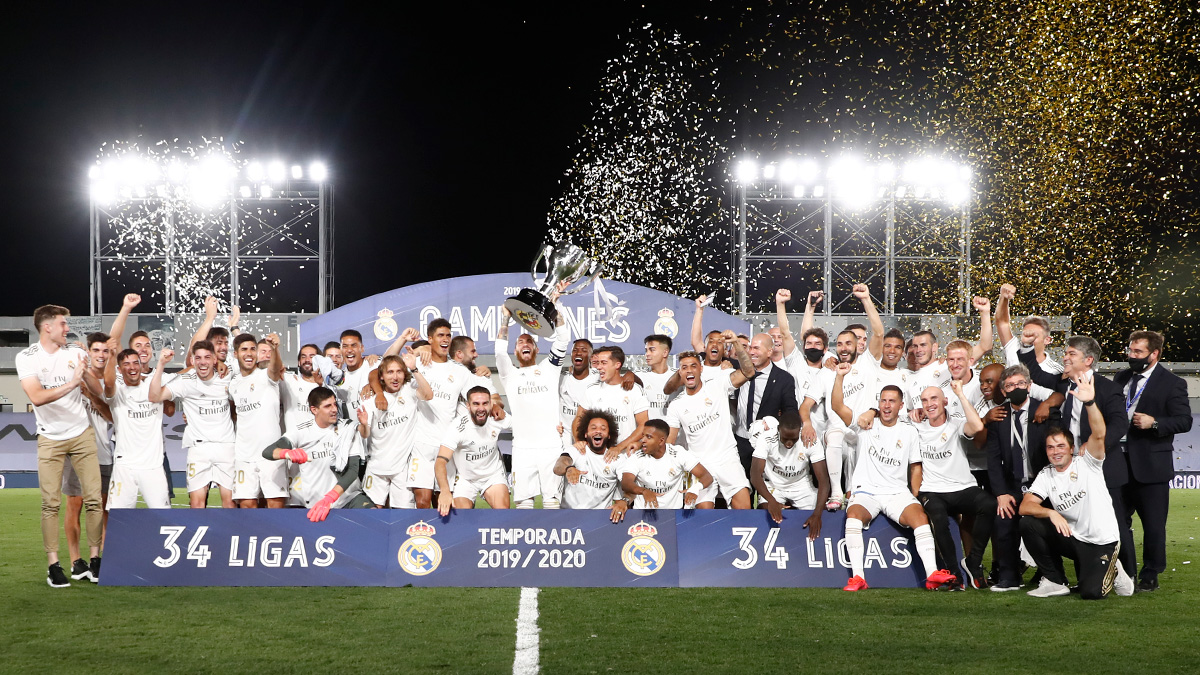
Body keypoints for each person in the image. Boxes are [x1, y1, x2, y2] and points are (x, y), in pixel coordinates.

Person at [829, 372, 956, 591]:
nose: (887, 405)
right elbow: (838, 406)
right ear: (878, 404)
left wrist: (914, 495)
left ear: (901, 405)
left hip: (897, 492)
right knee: (853, 516)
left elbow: (916, 466)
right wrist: (839, 377)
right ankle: (858, 577)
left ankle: (932, 574)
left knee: (919, 516)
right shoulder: (865, 425)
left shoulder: (909, 431)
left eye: (892, 401)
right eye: (883, 401)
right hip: (866, 492)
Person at [1019, 373, 1136, 598]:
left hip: (1101, 542)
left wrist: (1090, 403)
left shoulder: (1088, 463)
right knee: (1028, 524)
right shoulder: (1047, 474)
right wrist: (1051, 514)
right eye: (1051, 448)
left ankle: (1116, 571)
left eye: (1061, 446)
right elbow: (1026, 506)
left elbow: (1099, 434)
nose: (1056, 451)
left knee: (1090, 593)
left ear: (1071, 448)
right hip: (1074, 539)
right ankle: (1055, 581)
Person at [18, 304, 104, 588]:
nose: (68, 329)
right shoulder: (27, 357)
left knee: (94, 498)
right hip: (50, 438)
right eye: (64, 324)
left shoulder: (76, 353)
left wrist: (88, 372)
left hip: (81, 433)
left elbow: (97, 390)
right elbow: (38, 397)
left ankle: (94, 561)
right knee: (50, 504)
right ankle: (54, 565)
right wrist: (72, 382)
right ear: (47, 327)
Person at [1111, 330, 1192, 591]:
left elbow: (1184, 421)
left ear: (1154, 354)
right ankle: (1125, 571)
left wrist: (1154, 422)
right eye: (1130, 350)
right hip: (1118, 462)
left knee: (1153, 525)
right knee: (1117, 522)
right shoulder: (1122, 377)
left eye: (1138, 352)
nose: (1131, 356)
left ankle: (1151, 573)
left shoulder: (1172, 383)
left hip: (1151, 465)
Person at [1057, 336, 1132, 577]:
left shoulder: (1108, 388)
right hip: (1074, 471)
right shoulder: (1064, 387)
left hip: (1105, 469)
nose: (1065, 357)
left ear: (1088, 360)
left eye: (1071, 354)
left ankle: (1128, 575)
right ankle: (1089, 576)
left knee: (1116, 524)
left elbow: (1120, 425)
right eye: (1065, 353)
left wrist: (1094, 446)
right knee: (1081, 526)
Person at [912, 382, 997, 589]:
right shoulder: (916, 427)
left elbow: (977, 427)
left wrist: (960, 394)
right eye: (924, 400)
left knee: (989, 504)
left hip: (962, 487)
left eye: (934, 399)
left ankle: (973, 562)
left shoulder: (957, 423)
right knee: (939, 519)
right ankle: (954, 574)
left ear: (945, 402)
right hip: (932, 489)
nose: (929, 404)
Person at [982, 365, 1057, 591]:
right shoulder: (999, 416)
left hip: (1042, 484)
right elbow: (993, 460)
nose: (1016, 388)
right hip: (1013, 484)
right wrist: (1001, 493)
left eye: (1020, 384)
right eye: (1010, 386)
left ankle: (1050, 574)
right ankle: (1009, 577)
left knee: (1041, 527)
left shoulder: (1044, 412)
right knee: (1003, 522)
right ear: (1004, 391)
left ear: (1029, 385)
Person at [663, 344, 756, 509]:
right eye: (684, 367)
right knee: (703, 514)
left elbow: (748, 372)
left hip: (727, 458)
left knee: (743, 507)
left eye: (693, 366)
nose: (689, 370)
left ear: (701, 369)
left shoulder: (717, 386)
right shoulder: (676, 406)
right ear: (680, 373)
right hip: (700, 464)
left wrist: (735, 341)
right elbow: (670, 440)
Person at [496, 302, 570, 509]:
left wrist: (555, 309)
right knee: (523, 504)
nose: (525, 343)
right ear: (516, 350)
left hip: (551, 447)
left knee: (552, 502)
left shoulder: (550, 369)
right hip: (522, 448)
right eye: (520, 342)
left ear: (537, 349)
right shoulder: (508, 375)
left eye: (529, 341)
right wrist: (505, 319)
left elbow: (563, 339)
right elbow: (500, 353)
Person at [262, 386, 372, 520]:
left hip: (348, 498)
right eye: (327, 406)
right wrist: (286, 453)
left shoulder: (347, 428)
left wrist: (330, 498)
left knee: (374, 516)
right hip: (317, 505)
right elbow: (268, 452)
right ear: (314, 410)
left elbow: (353, 470)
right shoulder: (301, 431)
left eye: (334, 404)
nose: (334, 410)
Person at [149, 340, 236, 509]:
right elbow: (154, 397)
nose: (203, 362)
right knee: (196, 504)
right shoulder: (185, 381)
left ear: (214, 360)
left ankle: (229, 536)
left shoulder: (227, 377)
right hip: (198, 449)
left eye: (207, 357)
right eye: (198, 358)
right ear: (193, 361)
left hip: (226, 447)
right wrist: (160, 365)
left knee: (230, 503)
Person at [404, 318, 477, 509]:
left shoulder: (460, 371)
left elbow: (479, 393)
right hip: (421, 443)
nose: (445, 339)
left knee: (443, 502)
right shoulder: (417, 362)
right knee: (421, 501)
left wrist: (494, 401)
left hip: (446, 446)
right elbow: (384, 366)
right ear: (430, 339)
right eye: (440, 335)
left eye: (448, 335)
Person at [62, 331, 114, 581]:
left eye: (105, 350)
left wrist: (92, 395)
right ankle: (75, 561)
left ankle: (99, 559)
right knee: (75, 505)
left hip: (104, 451)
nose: (101, 355)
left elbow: (112, 416)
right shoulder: (73, 374)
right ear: (88, 352)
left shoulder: (114, 381)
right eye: (96, 350)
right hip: (75, 451)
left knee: (103, 509)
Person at [99, 344, 171, 510]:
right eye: (126, 364)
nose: (132, 367)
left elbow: (186, 374)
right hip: (125, 467)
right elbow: (108, 384)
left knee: (163, 518)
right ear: (119, 369)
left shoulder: (154, 387)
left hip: (153, 467)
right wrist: (110, 355)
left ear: (141, 365)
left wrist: (161, 363)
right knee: (119, 520)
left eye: (135, 363)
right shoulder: (117, 392)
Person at [363, 353, 432, 508]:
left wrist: (414, 368)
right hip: (376, 466)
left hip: (402, 468)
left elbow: (428, 395)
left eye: (399, 372)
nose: (395, 377)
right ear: (382, 377)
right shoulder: (370, 402)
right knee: (373, 512)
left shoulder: (409, 390)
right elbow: (365, 434)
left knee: (403, 515)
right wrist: (362, 423)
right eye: (390, 372)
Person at [748, 412, 830, 537]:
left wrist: (817, 514)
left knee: (821, 514)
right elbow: (754, 475)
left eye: (793, 439)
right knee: (765, 512)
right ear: (778, 430)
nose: (789, 443)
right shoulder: (766, 438)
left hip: (801, 485)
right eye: (785, 438)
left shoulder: (810, 439)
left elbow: (823, 480)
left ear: (800, 431)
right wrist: (771, 500)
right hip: (774, 485)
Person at [228, 332, 286, 508]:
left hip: (271, 453)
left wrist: (275, 349)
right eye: (244, 349)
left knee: (275, 505)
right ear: (235, 354)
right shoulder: (233, 384)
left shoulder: (265, 375)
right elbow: (234, 412)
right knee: (246, 506)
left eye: (253, 349)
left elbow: (276, 369)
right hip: (244, 454)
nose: (249, 353)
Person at [435, 387, 512, 516]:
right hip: (466, 478)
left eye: (485, 403)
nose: (481, 408)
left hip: (492, 475)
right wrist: (444, 491)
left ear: (491, 404)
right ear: (468, 406)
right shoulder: (458, 427)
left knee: (502, 515)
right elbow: (440, 462)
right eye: (476, 404)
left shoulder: (498, 418)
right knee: (461, 518)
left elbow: (524, 429)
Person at [733, 332, 798, 479]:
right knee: (742, 492)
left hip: (767, 442)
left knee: (766, 492)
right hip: (740, 441)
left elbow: (791, 411)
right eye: (750, 348)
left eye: (756, 348)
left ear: (769, 351)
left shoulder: (784, 379)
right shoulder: (738, 370)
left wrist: (778, 429)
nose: (751, 352)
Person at [555, 409, 632, 521]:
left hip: (600, 520)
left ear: (609, 435)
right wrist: (569, 468)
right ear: (586, 434)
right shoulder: (576, 450)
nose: (598, 431)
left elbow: (631, 486)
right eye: (593, 428)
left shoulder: (617, 459)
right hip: (569, 517)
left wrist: (624, 502)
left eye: (603, 428)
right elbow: (558, 466)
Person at [622, 419, 713, 509]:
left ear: (661, 441)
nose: (643, 440)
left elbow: (707, 476)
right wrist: (644, 491)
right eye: (643, 436)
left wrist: (695, 488)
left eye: (648, 437)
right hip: (644, 515)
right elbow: (626, 483)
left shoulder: (678, 453)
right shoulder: (637, 457)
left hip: (673, 515)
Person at [574, 346, 649, 453]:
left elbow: (643, 424)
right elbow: (578, 419)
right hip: (596, 456)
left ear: (617, 365)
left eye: (603, 363)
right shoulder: (591, 390)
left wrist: (619, 448)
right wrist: (579, 441)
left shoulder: (634, 390)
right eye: (598, 363)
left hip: (624, 455)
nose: (599, 367)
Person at [640, 334, 677, 420]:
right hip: (649, 432)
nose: (647, 354)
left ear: (665, 352)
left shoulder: (679, 376)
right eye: (646, 350)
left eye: (652, 350)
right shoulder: (639, 376)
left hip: (674, 432)